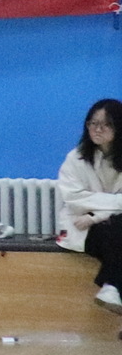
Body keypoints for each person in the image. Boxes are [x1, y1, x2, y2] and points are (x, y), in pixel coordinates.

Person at [57, 98, 122, 317]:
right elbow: (74, 199)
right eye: (93, 123)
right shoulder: (75, 159)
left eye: (106, 124)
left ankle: (112, 287)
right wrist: (111, 207)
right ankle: (112, 287)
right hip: (83, 226)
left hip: (97, 222)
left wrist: (97, 214)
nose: (97, 129)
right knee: (116, 231)